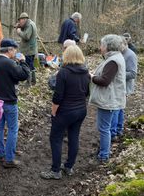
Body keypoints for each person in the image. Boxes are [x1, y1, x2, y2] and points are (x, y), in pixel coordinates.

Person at [40, 45, 90, 180]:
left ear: (66, 56)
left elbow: (58, 96)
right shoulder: (86, 72)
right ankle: (69, 166)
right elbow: (87, 93)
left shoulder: (63, 72)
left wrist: (53, 112)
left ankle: (55, 170)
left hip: (65, 111)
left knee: (55, 138)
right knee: (74, 137)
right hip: (81, 110)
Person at [0, 39, 30, 168]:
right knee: (12, 129)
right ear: (10, 50)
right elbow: (23, 75)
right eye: (14, 49)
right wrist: (22, 61)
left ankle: (0, 153)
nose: (16, 52)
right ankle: (9, 159)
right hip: (9, 101)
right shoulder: (9, 63)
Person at [89, 34, 126, 163]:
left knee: (104, 128)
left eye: (102, 45)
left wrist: (92, 77)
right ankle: (103, 152)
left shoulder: (113, 61)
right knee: (105, 127)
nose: (100, 47)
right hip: (112, 98)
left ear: (108, 46)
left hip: (109, 100)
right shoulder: (115, 58)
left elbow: (104, 80)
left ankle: (103, 156)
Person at [111, 36, 138, 141]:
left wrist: (117, 74)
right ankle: (118, 129)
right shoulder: (120, 53)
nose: (117, 47)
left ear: (124, 44)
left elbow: (133, 74)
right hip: (118, 86)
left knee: (117, 108)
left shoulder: (131, 55)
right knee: (119, 108)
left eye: (119, 45)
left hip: (124, 87)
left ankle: (116, 131)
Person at [15, 12, 38, 85]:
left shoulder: (30, 25)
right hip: (26, 49)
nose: (19, 21)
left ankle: (29, 82)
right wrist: (19, 27)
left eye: (20, 20)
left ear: (24, 19)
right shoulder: (28, 24)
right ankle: (32, 81)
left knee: (28, 66)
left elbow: (26, 36)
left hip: (28, 50)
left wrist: (19, 31)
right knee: (30, 65)